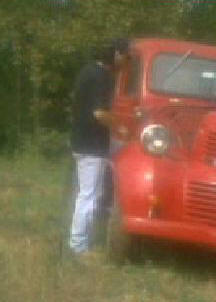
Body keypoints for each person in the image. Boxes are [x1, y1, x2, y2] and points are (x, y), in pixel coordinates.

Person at [69, 39, 130, 255]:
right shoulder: (101, 77)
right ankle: (78, 246)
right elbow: (99, 113)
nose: (126, 61)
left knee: (127, 150)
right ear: (115, 54)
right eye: (125, 56)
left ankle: (113, 203)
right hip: (91, 146)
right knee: (88, 195)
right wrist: (121, 127)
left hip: (84, 140)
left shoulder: (88, 70)